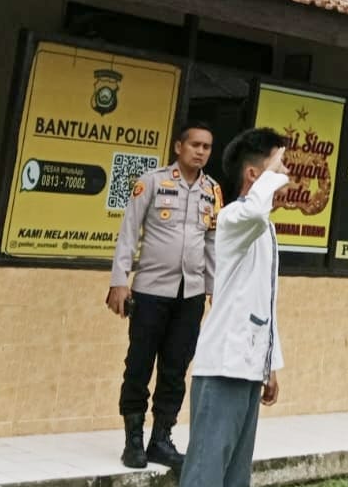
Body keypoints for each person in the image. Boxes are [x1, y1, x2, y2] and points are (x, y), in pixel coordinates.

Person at [108, 120, 223, 470]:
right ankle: (133, 441)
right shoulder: (153, 182)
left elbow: (212, 242)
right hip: (150, 291)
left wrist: (214, 290)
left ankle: (161, 439)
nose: (201, 151)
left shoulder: (212, 190)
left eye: (206, 147)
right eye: (195, 145)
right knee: (139, 364)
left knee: (175, 368)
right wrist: (119, 281)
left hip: (189, 296)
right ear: (179, 147)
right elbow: (129, 232)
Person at [179, 127, 290, 487]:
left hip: (248, 368)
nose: (286, 176)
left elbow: (264, 300)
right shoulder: (234, 219)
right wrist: (270, 170)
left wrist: (269, 364)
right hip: (223, 368)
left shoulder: (264, 228)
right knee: (205, 473)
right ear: (253, 176)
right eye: (279, 167)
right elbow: (255, 212)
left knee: (235, 476)